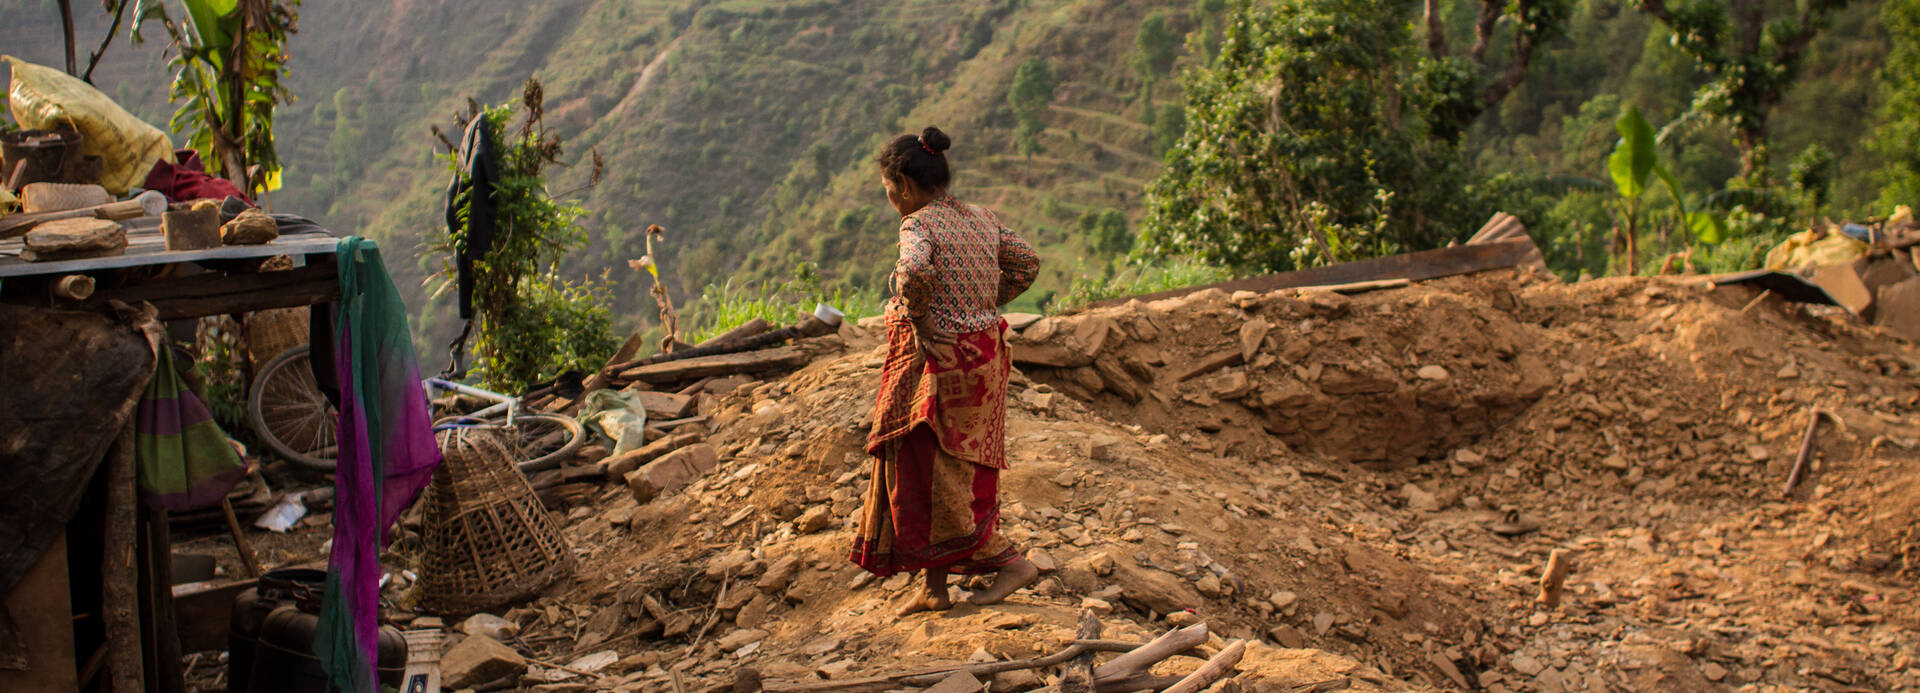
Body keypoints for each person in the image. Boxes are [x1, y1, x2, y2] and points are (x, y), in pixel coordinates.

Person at [849, 126, 1042, 614]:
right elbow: (1026, 264)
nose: (891, 199)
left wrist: (921, 315)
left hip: (942, 365)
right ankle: (933, 589)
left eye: (889, 190)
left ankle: (1011, 563)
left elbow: (913, 273)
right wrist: (985, 300)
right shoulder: (983, 218)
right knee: (949, 467)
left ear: (906, 187)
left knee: (933, 474)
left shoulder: (919, 226)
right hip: (983, 360)